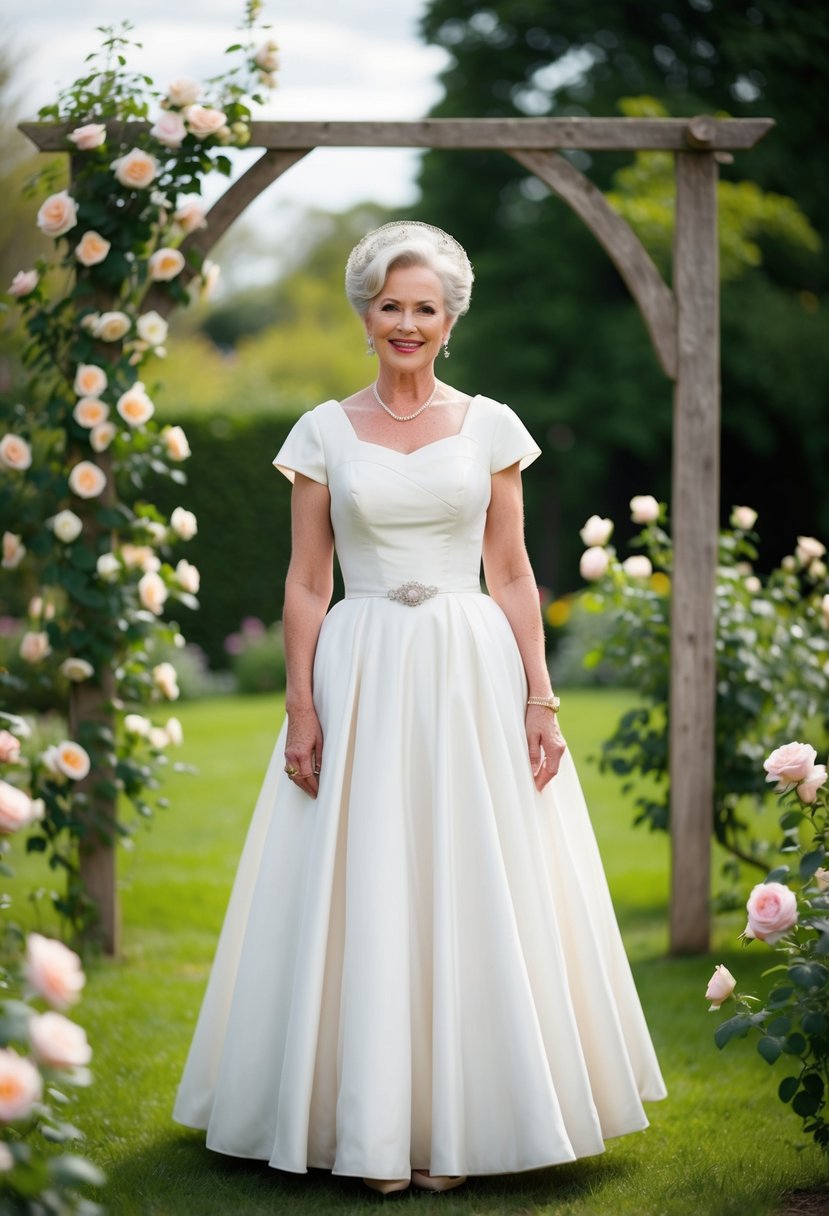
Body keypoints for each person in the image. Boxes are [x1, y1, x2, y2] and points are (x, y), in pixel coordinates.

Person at [173, 220, 667, 1196]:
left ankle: (467, 1124)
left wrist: (540, 696)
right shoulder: (320, 431)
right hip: (357, 666)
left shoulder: (490, 426)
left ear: (450, 320)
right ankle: (357, 1126)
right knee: (358, 881)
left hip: (468, 668)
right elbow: (305, 584)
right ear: (366, 316)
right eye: (390, 305)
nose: (406, 322)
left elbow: (515, 571)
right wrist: (300, 708)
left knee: (471, 875)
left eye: (424, 308)